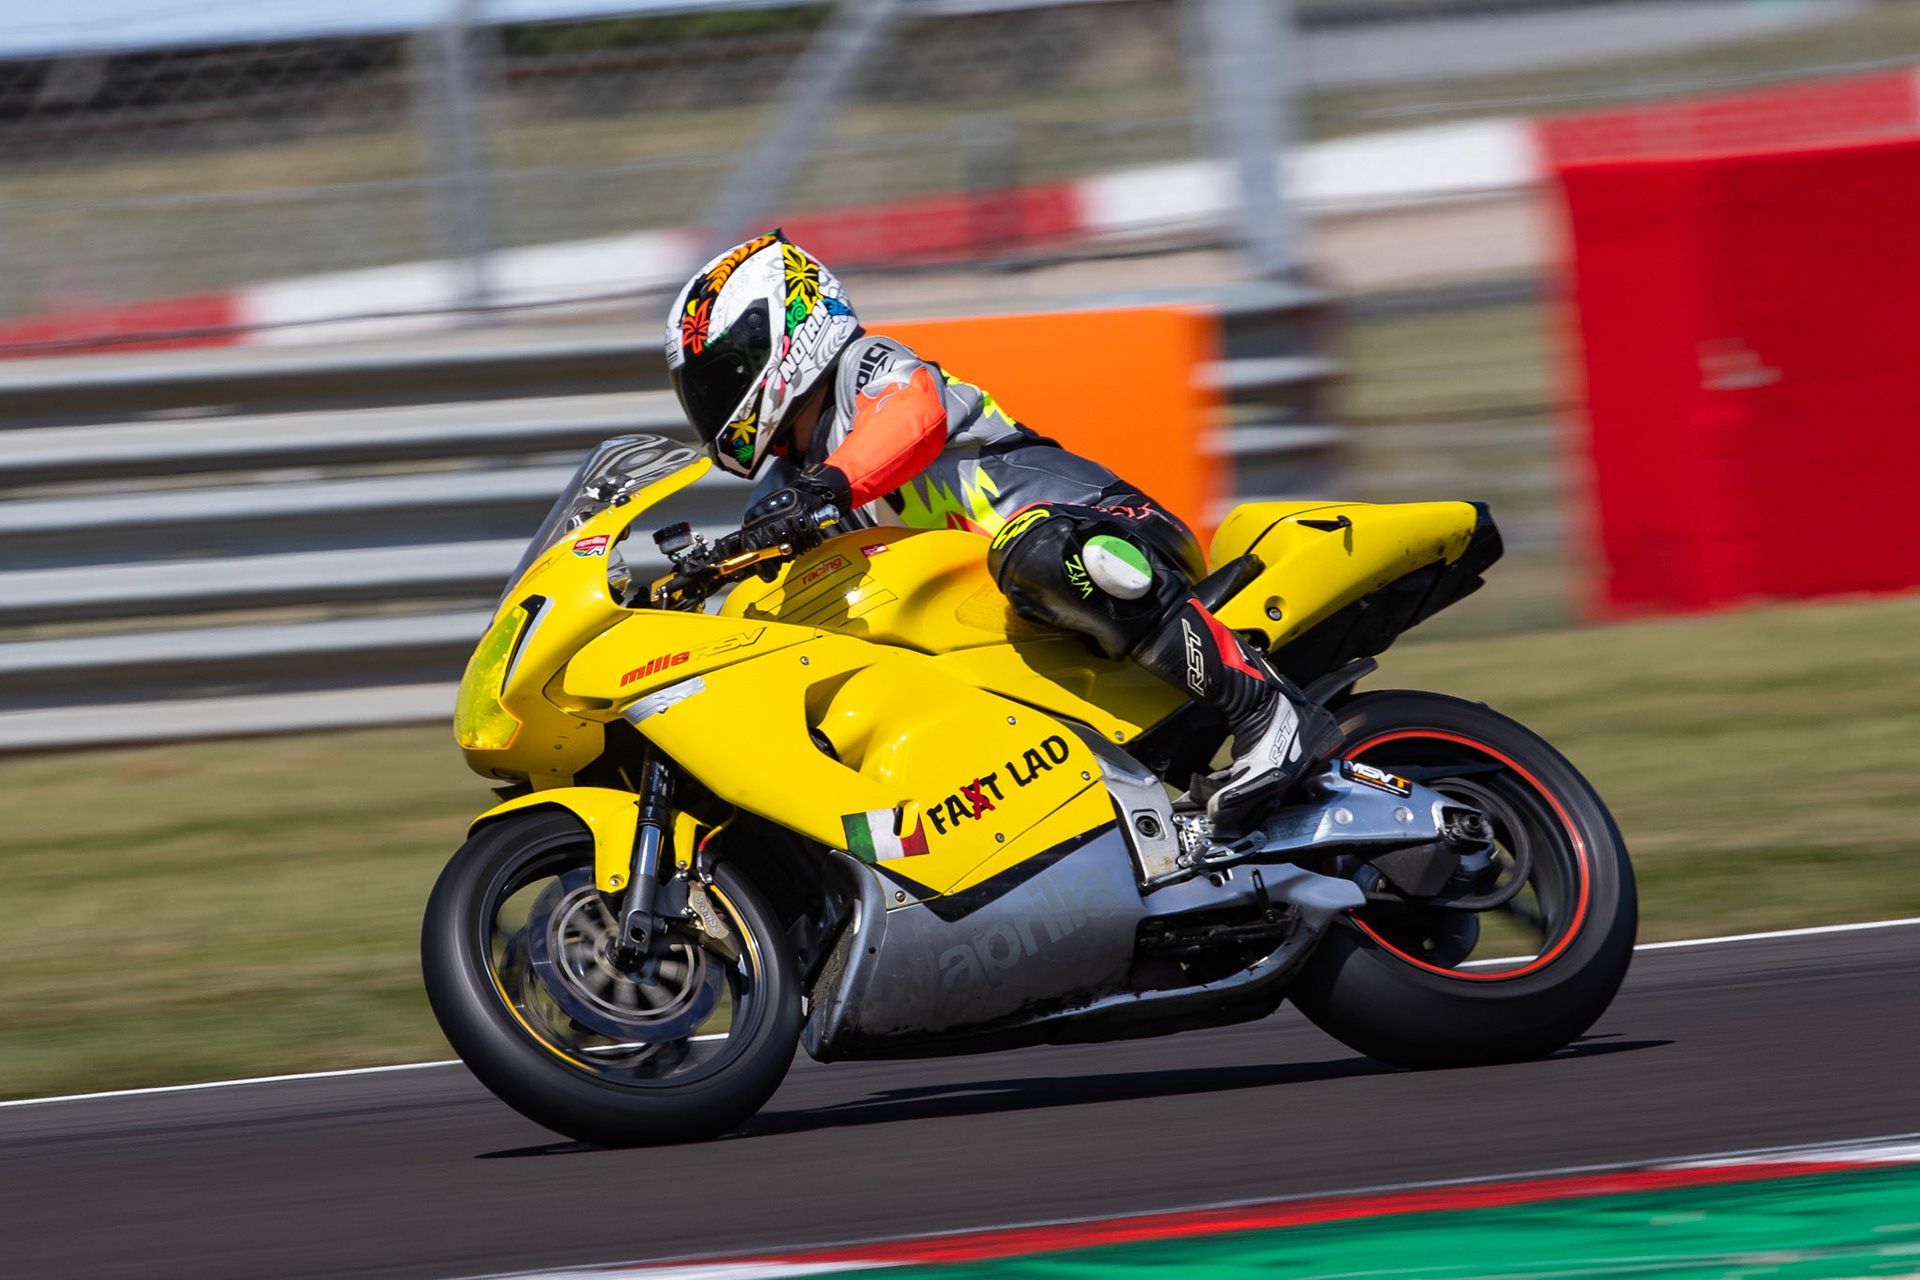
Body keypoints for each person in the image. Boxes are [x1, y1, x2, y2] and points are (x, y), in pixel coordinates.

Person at [664, 230, 1341, 831]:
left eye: (725, 376)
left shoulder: (867, 368)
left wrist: (826, 489)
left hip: (1108, 540)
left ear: (785, 335)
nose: (716, 400)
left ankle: (1266, 711)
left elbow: (911, 415)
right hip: (1013, 624)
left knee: (1030, 549)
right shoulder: (785, 486)